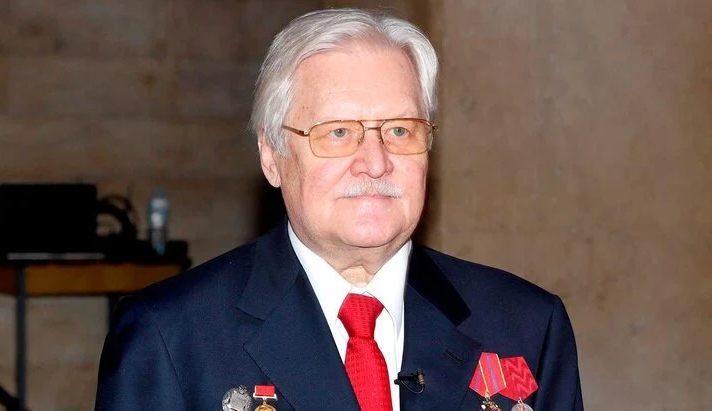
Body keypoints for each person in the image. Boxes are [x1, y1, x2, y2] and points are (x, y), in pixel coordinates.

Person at [95, 8, 583, 411]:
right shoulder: (171, 337)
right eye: (338, 133)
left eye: (400, 130)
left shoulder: (526, 326)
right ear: (271, 155)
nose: (375, 162)